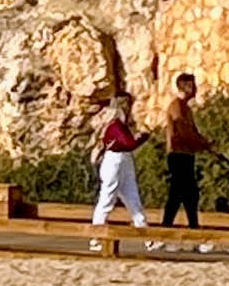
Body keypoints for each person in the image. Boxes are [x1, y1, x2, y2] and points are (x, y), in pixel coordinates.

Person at [89, 94, 149, 229]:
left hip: (124, 159)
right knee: (107, 197)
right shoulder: (115, 126)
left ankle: (143, 230)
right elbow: (129, 143)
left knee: (132, 197)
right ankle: (97, 232)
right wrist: (143, 137)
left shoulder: (121, 126)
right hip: (114, 160)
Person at [162, 72, 210, 228]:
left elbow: (193, 131)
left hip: (186, 154)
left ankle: (188, 225)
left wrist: (204, 143)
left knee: (186, 193)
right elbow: (184, 132)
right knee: (182, 192)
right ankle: (173, 226)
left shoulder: (187, 109)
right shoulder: (177, 106)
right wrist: (200, 143)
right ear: (186, 87)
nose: (196, 89)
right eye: (193, 85)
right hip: (178, 155)